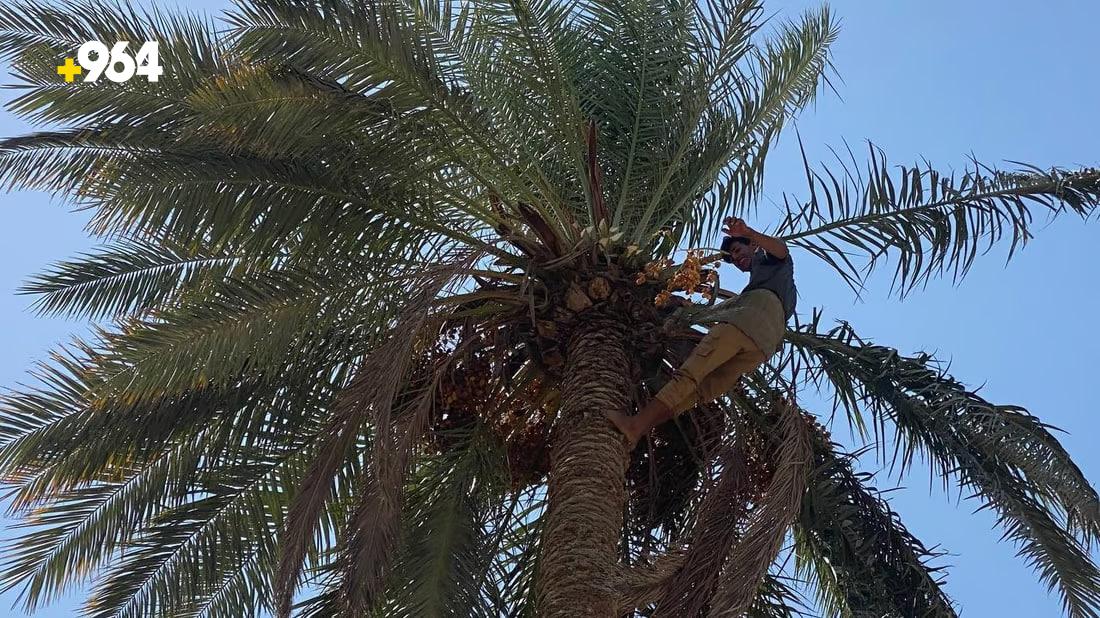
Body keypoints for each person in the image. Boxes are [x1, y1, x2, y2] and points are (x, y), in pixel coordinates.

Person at [608, 217, 797, 448]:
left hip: (745, 324)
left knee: (690, 375)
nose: (736, 258)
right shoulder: (774, 283)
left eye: (738, 250)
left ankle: (635, 426)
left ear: (753, 245)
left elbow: (781, 249)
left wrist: (750, 232)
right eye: (733, 258)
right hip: (762, 347)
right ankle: (638, 430)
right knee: (699, 392)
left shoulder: (772, 263)